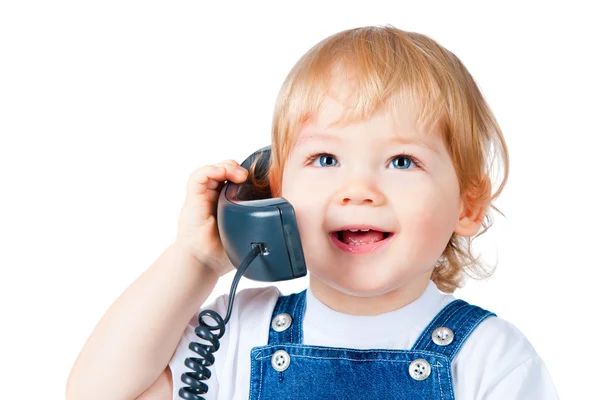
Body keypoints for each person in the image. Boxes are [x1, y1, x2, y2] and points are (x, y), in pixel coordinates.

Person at [66, 25, 559, 399]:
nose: (359, 190)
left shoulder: (493, 358)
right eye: (325, 159)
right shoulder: (239, 332)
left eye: (402, 161)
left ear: (467, 206)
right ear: (274, 193)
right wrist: (195, 261)